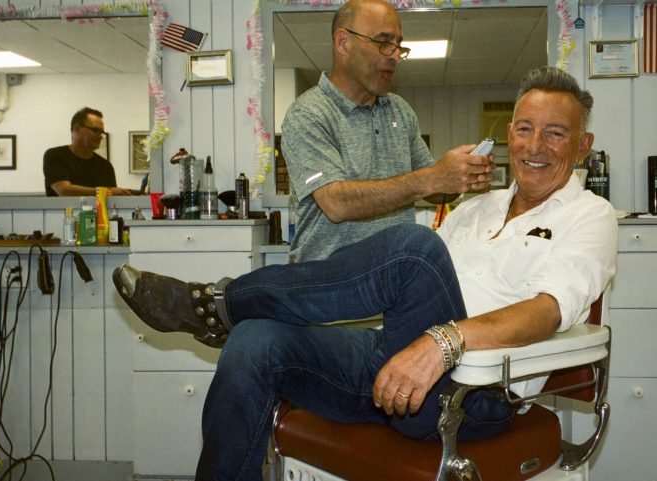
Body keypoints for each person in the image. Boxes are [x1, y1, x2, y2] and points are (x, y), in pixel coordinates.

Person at [113, 66, 618, 481]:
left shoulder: (590, 216)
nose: (536, 145)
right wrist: (420, 340)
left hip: (477, 391)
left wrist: (444, 341)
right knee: (254, 343)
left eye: (556, 134)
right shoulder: (475, 208)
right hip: (400, 358)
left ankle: (215, 304)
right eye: (525, 128)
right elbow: (411, 294)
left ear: (581, 145)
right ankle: (229, 313)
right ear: (508, 134)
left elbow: (547, 311)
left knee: (416, 251)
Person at [282, 0, 494, 261]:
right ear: (343, 42)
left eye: (398, 46)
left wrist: (461, 175)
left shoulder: (400, 111)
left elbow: (433, 189)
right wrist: (432, 178)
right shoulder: (308, 114)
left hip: (394, 278)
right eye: (383, 42)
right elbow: (335, 203)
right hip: (331, 283)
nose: (394, 55)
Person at [43, 107, 133, 196]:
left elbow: (111, 199)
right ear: (77, 129)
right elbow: (64, 190)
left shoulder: (105, 166)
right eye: (95, 130)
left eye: (101, 132)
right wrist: (106, 191)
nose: (100, 136)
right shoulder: (55, 156)